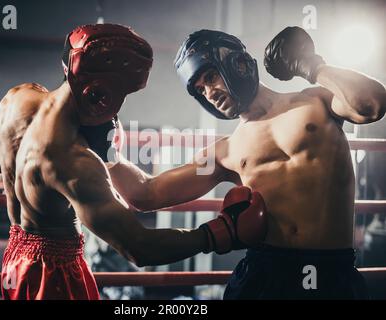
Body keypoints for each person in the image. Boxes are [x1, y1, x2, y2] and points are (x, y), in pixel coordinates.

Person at [0, 23, 267, 300]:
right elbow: (139, 247)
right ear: (100, 94)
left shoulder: (17, 98)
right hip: (55, 273)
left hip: (16, 257)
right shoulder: (75, 164)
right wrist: (221, 233)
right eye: (120, 93)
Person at [107, 27, 386, 299]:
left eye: (210, 76)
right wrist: (104, 144)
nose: (209, 93)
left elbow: (372, 103)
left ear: (237, 63)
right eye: (200, 90)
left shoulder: (315, 102)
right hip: (265, 273)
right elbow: (145, 193)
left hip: (331, 270)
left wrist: (312, 66)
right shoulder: (225, 152)